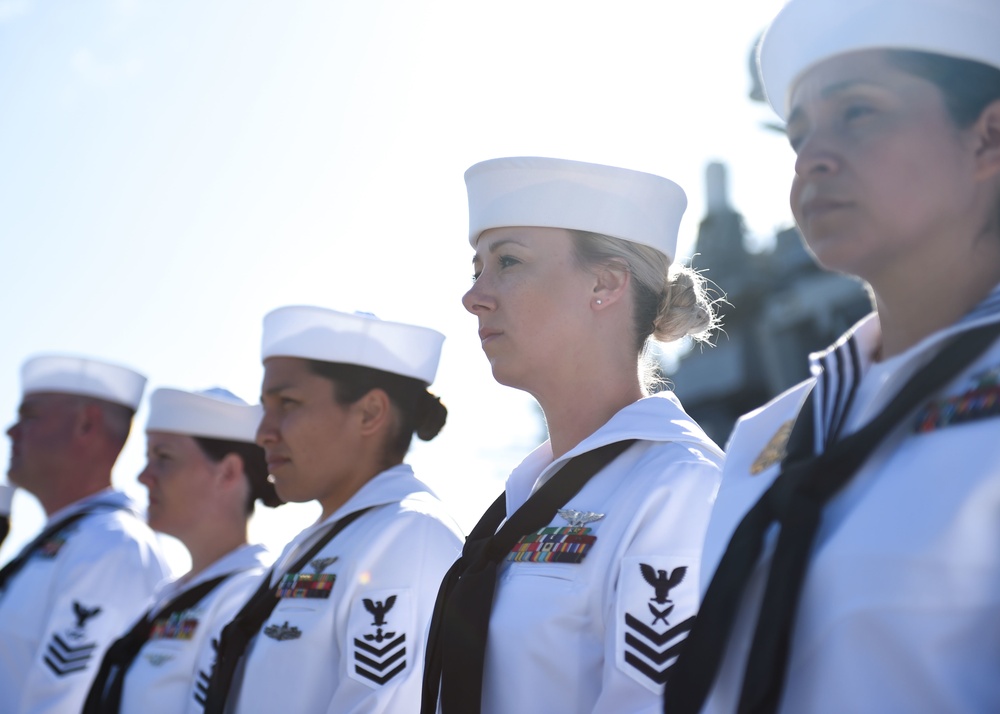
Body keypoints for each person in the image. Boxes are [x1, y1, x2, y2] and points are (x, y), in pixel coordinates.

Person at [661, 1, 1000, 713]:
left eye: (859, 113)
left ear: (988, 137)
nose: (812, 156)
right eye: (799, 132)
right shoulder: (764, 440)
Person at [421, 156, 725, 714]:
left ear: (605, 283)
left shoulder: (678, 488)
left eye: (508, 261)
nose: (474, 296)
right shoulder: (523, 502)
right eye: (476, 269)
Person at [201, 305, 463, 714]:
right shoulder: (315, 543)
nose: (263, 433)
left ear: (370, 413)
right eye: (265, 407)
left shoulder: (409, 536)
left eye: (287, 403)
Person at [83, 386, 283, 714]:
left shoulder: (248, 597)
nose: (143, 476)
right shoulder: (168, 597)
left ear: (228, 472)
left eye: (164, 458)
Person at [0, 354, 171, 713]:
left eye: (29, 417)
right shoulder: (62, 542)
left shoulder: (111, 546)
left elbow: (60, 705)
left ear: (86, 425)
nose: (11, 431)